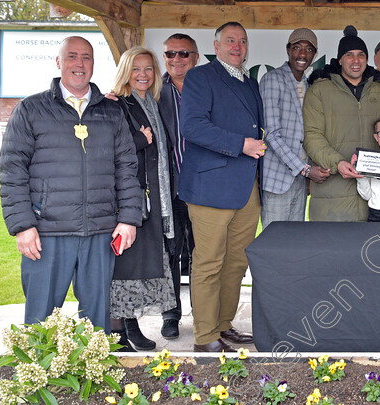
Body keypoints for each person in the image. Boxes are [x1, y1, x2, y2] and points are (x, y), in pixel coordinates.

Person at [0, 36, 140, 334]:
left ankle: (94, 377)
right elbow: (12, 171)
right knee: (40, 322)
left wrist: (128, 219)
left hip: (100, 233)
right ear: (59, 62)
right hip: (47, 233)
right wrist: (22, 226)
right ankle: (37, 380)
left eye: (86, 57)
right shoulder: (31, 109)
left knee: (96, 325)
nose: (80, 63)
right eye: (72, 56)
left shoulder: (112, 112)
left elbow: (127, 169)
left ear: (93, 64)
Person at [180, 21, 264, 352]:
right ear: (216, 46)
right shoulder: (200, 77)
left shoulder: (249, 82)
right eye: (230, 40)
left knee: (235, 263)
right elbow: (192, 126)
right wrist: (239, 144)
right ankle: (204, 337)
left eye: (242, 41)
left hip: (245, 188)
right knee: (209, 263)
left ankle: (223, 325)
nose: (237, 46)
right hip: (210, 187)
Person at [303, 26, 380, 222]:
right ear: (340, 60)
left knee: (375, 251)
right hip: (333, 196)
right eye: (349, 55)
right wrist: (337, 163)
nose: (356, 61)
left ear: (367, 59)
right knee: (333, 250)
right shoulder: (319, 91)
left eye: (361, 55)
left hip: (375, 201)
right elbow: (312, 136)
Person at [109, 46, 177, 351]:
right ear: (126, 71)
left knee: (140, 268)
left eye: (148, 69)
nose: (143, 75)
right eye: (136, 69)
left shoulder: (151, 102)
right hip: (129, 199)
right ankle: (121, 332)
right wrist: (141, 139)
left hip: (152, 196)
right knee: (124, 269)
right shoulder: (117, 104)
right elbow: (110, 148)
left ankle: (129, 327)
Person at [259, 28, 330, 227]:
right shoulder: (273, 79)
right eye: (297, 48)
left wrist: (307, 171)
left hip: (300, 181)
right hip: (278, 181)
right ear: (288, 50)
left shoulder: (309, 86)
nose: (302, 54)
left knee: (292, 244)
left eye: (308, 50)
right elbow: (271, 134)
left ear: (314, 55)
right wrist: (305, 170)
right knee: (274, 245)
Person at [158, 33, 199, 340]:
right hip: (169, 188)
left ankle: (204, 312)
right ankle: (170, 314)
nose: (176, 59)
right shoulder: (154, 91)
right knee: (171, 252)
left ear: (195, 57)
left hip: (202, 187)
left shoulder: (206, 88)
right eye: (170, 53)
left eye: (183, 53)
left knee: (204, 253)